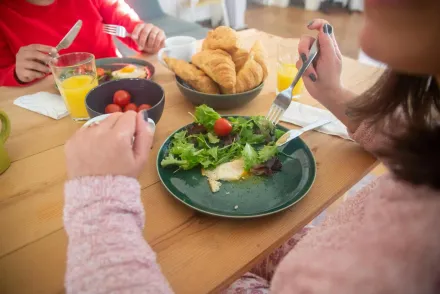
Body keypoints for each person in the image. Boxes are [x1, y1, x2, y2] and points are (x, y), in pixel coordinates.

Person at [63, 0, 440, 293]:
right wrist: (334, 94)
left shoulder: (404, 262)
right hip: (321, 247)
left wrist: (99, 203)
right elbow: (425, 147)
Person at [0, 0, 165, 86]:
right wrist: (16, 74)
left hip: (116, 85)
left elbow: (130, 27)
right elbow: (3, 74)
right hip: (53, 105)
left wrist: (146, 36)